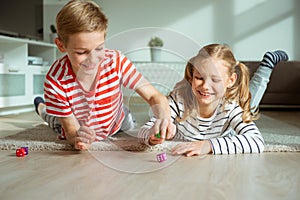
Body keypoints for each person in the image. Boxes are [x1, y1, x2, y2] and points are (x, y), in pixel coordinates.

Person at [34, 0, 175, 150]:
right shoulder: (55, 81)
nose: (93, 59)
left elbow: (154, 96)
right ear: (61, 45)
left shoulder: (116, 62)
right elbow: (71, 132)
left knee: (127, 117)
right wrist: (79, 138)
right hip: (77, 121)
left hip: (117, 120)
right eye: (82, 52)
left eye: (99, 48)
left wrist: (163, 119)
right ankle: (41, 107)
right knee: (52, 118)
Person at [138, 43, 288, 156]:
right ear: (192, 76)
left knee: (250, 101)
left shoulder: (231, 107)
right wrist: (152, 136)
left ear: (230, 80)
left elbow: (257, 141)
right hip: (191, 96)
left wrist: (208, 145)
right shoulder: (178, 101)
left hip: (229, 108)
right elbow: (144, 130)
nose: (205, 86)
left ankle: (267, 65)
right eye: (199, 78)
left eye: (215, 80)